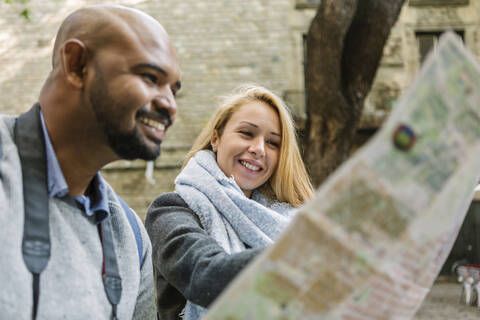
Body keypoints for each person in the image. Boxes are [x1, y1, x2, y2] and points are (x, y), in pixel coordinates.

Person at [0, 5, 181, 319]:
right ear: (77, 65)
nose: (170, 106)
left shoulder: (131, 237)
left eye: (174, 90)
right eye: (151, 78)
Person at [145, 85, 314, 320]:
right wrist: (306, 257)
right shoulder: (171, 209)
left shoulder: (291, 220)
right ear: (216, 139)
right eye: (246, 133)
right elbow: (204, 274)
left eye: (273, 143)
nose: (259, 149)